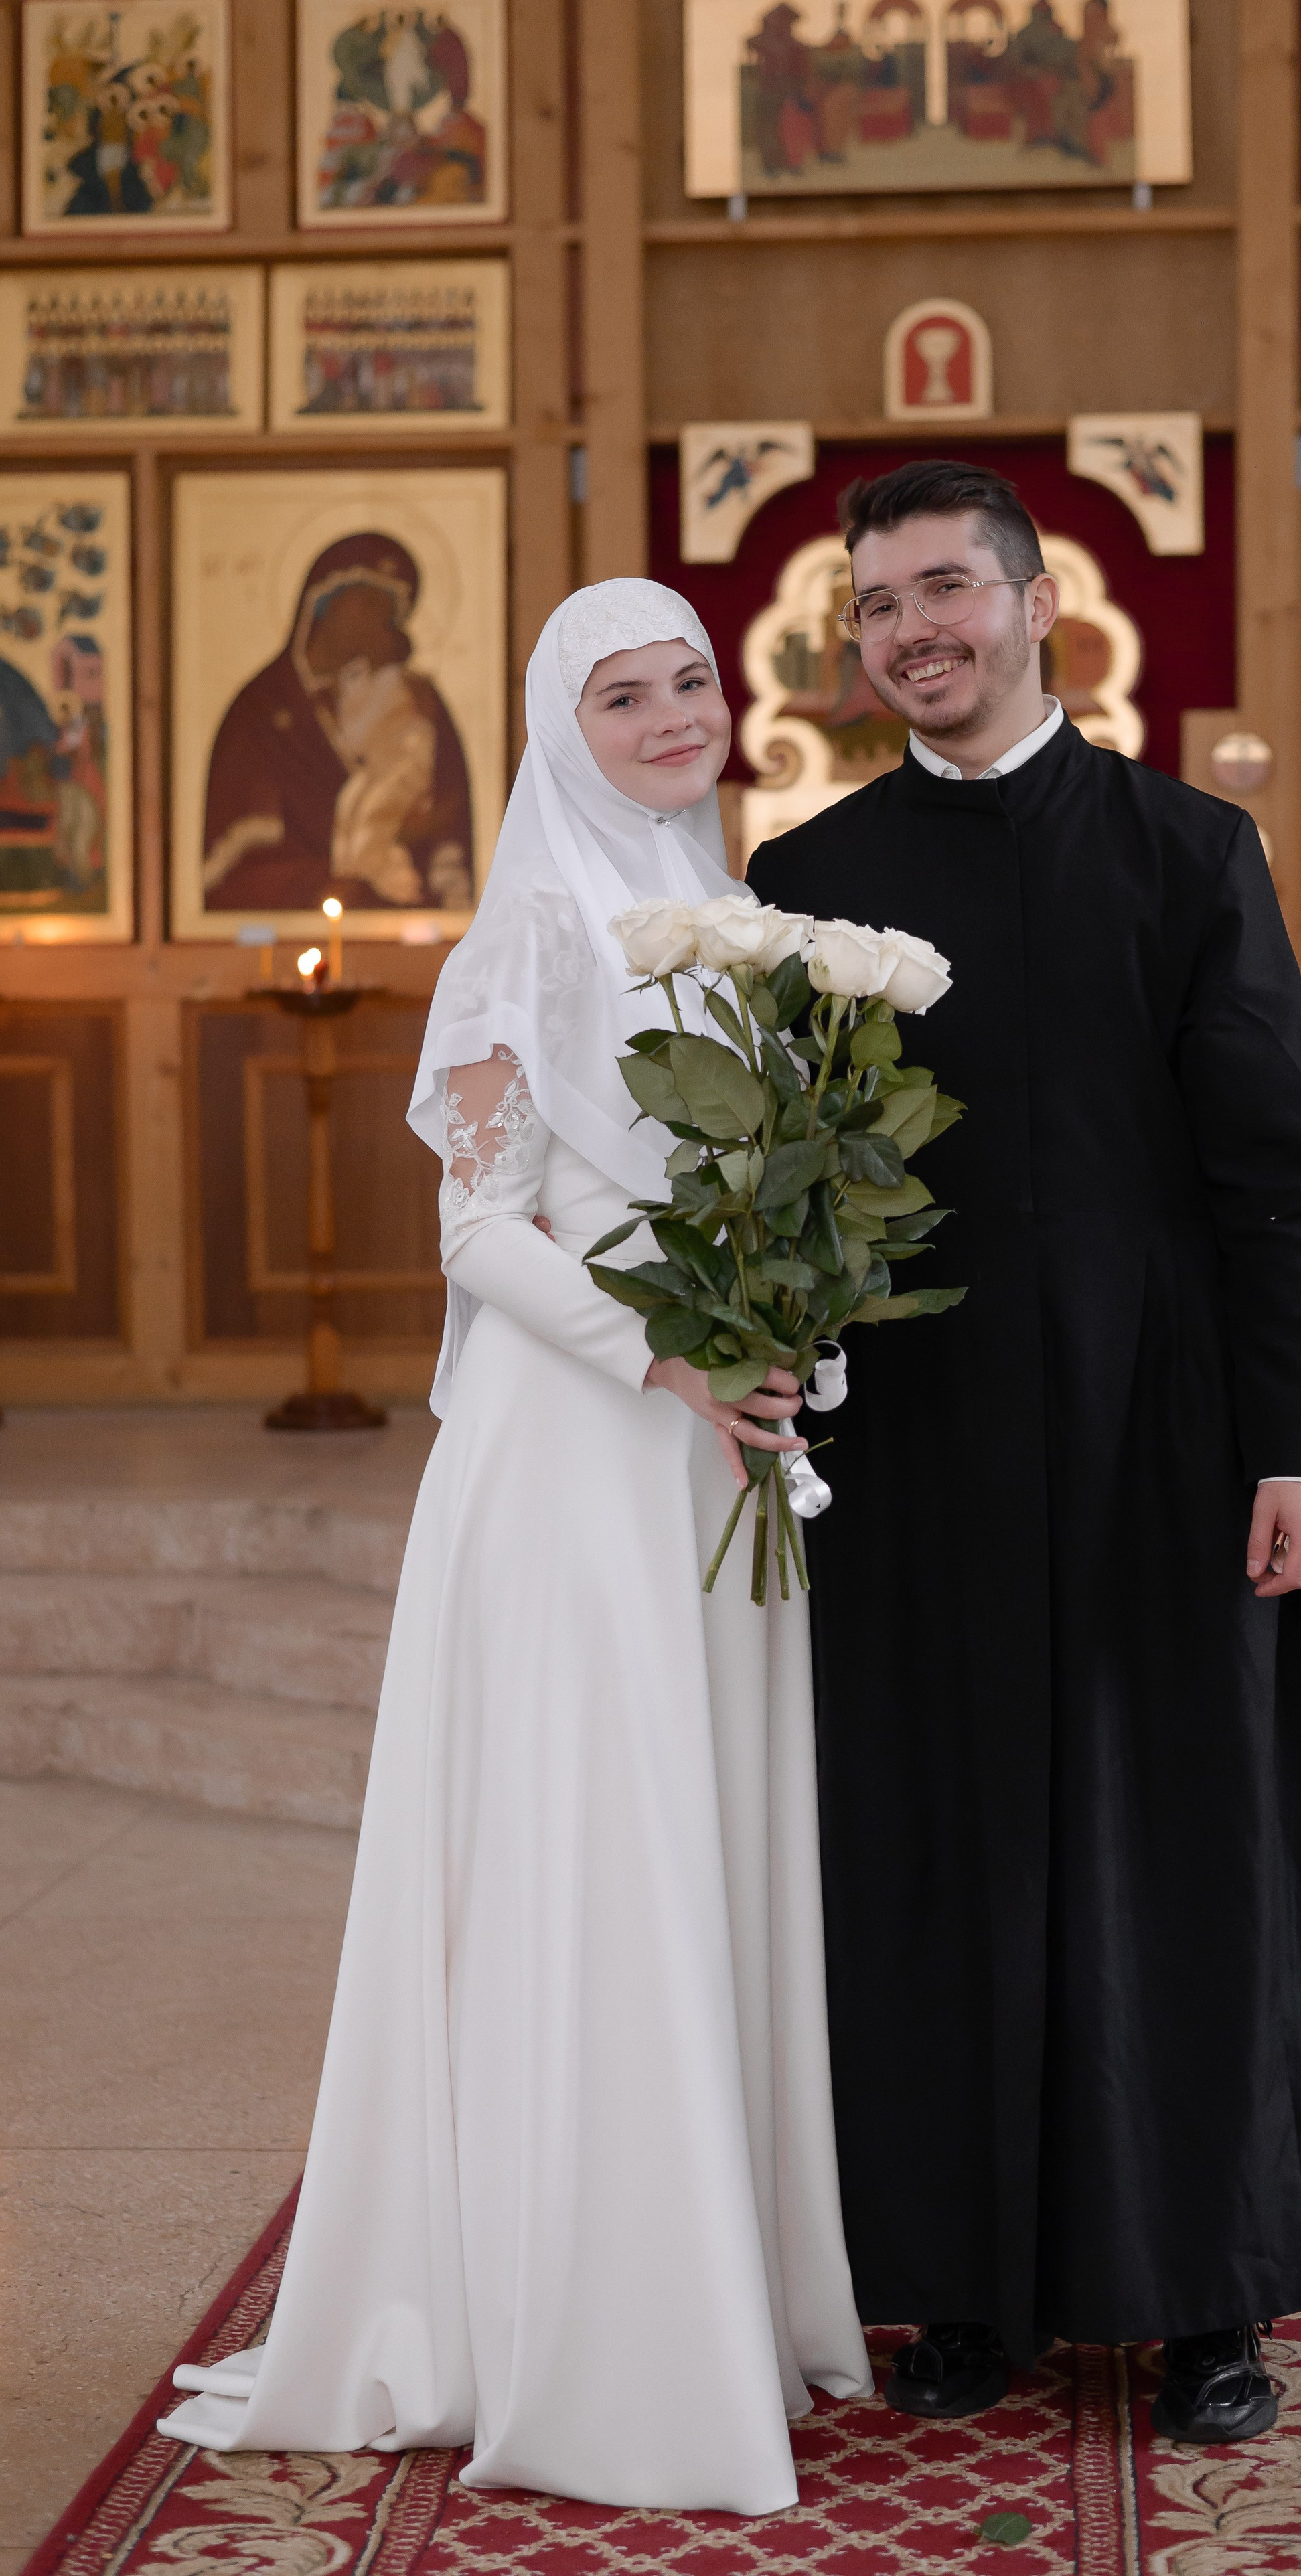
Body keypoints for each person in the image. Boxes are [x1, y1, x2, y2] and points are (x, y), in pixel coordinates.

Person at [158, 580, 871, 2510]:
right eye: (623, 695)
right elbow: (478, 1233)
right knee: (601, 1852)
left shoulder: (731, 921)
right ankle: (593, 2324)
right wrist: (668, 1355)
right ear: (562, 725)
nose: (671, 718)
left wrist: (781, 1326)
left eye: (693, 684)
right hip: (581, 1454)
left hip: (708, 1447)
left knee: (704, 1846)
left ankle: (718, 2275)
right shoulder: (522, 939)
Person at [747, 459, 1301, 2445]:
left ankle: (1208, 2295)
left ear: (1043, 610)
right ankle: (956, 2285)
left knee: (1182, 1856)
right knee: (930, 1856)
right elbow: (773, 1191)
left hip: (1163, 1430)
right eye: (876, 606)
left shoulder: (1186, 852)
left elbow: (1280, 1182)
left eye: (946, 588)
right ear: (852, 643)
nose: (911, 629)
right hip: (914, 1449)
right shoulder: (799, 881)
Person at [200, 532, 473, 914]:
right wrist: (324, 883)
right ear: (323, 605)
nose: (382, 624)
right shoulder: (260, 710)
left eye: (390, 614)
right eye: (367, 604)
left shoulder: (415, 699)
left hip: (395, 915)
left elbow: (449, 816)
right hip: (297, 912)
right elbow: (234, 860)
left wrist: (417, 830)